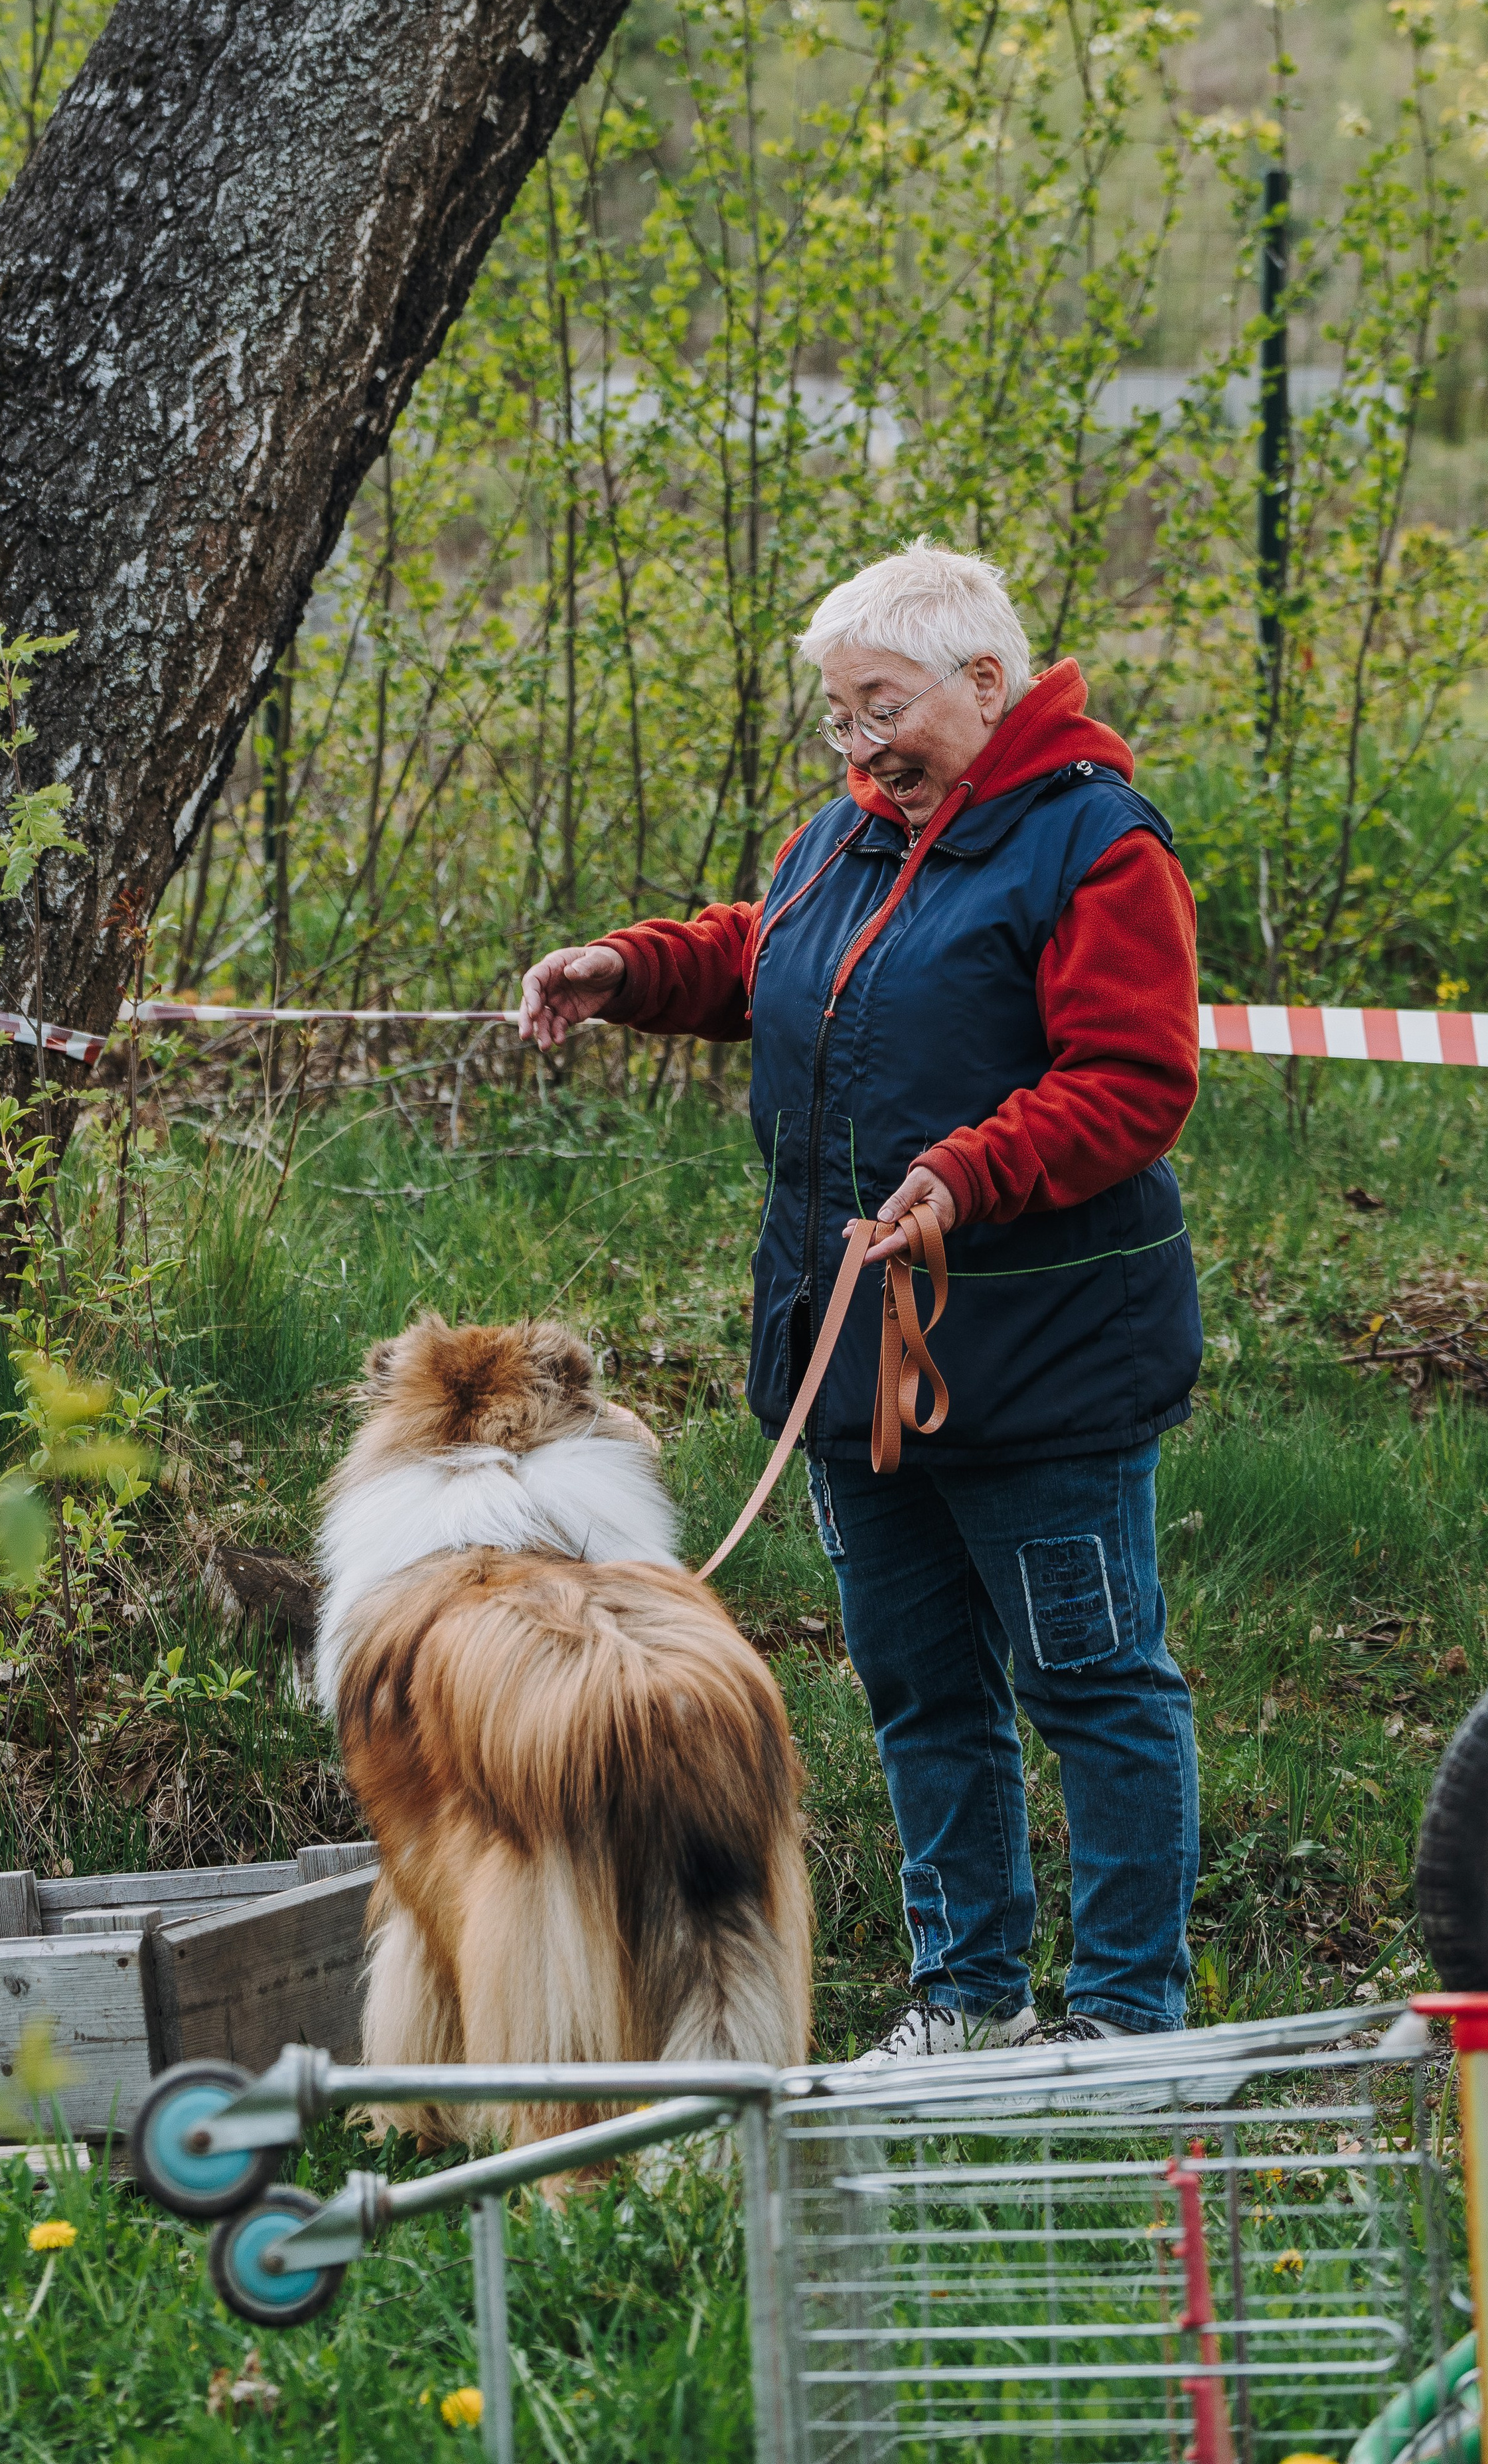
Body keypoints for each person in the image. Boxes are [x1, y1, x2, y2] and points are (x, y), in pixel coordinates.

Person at [518, 538, 1203, 2060]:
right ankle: (967, 1997)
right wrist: (628, 968)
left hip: (1041, 1360)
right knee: (917, 1688)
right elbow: (765, 956)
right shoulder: (846, 833)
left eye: (878, 707)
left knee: (1091, 1684)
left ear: (984, 681)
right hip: (843, 1362)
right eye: (837, 714)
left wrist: (968, 1167)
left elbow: (1132, 1077)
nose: (855, 743)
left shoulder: (1095, 844)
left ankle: (1123, 2020)